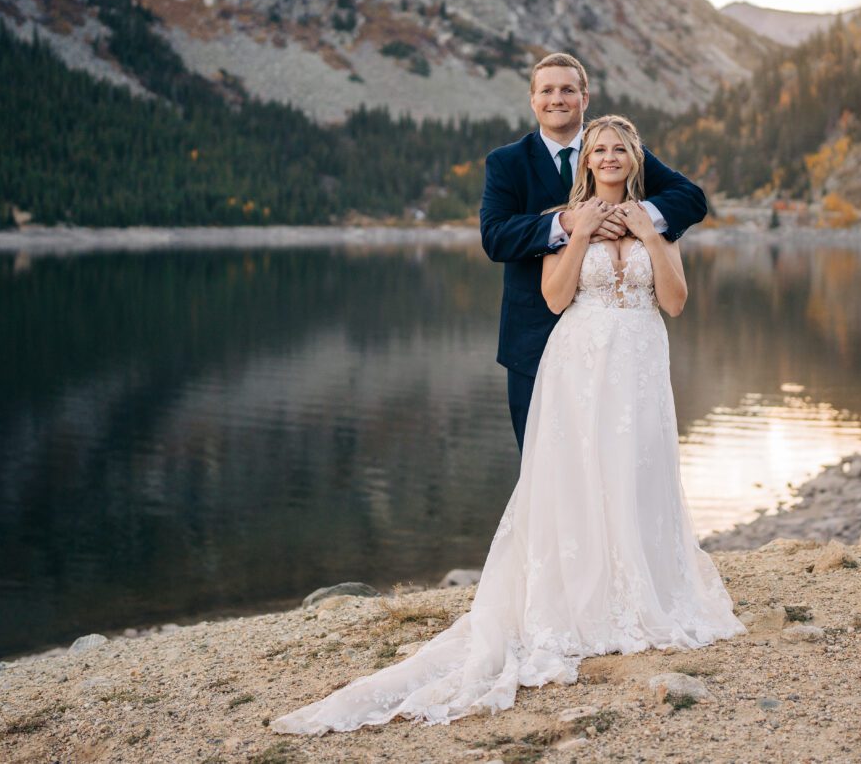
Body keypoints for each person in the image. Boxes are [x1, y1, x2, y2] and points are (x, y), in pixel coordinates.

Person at [270, 114, 743, 735]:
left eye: (618, 150)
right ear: (586, 162)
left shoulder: (660, 217)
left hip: (640, 363)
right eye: (597, 150)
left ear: (634, 158)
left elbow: (676, 302)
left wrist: (647, 231)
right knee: (579, 476)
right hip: (577, 363)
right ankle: (581, 598)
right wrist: (578, 233)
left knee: (638, 470)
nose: (607, 158)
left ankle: (641, 592)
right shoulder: (564, 218)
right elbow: (553, 298)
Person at [477, 52, 707, 452]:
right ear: (533, 100)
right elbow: (495, 236)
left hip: (618, 349)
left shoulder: (615, 149)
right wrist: (568, 224)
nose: (557, 99)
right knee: (545, 468)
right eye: (546, 90)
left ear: (585, 97)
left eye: (568, 89)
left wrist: (634, 218)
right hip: (532, 339)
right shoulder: (507, 162)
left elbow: (691, 198)